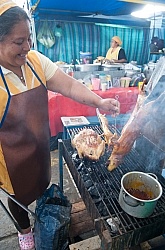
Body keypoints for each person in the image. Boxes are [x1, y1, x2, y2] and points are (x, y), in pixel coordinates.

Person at [0, 1, 120, 249]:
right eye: (18, 41)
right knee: (18, 198)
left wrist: (99, 101)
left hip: (39, 147)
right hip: (9, 159)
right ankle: (25, 234)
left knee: (41, 184)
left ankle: (44, 219)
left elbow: (69, 85)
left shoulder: (34, 61)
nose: (27, 47)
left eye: (29, 38)